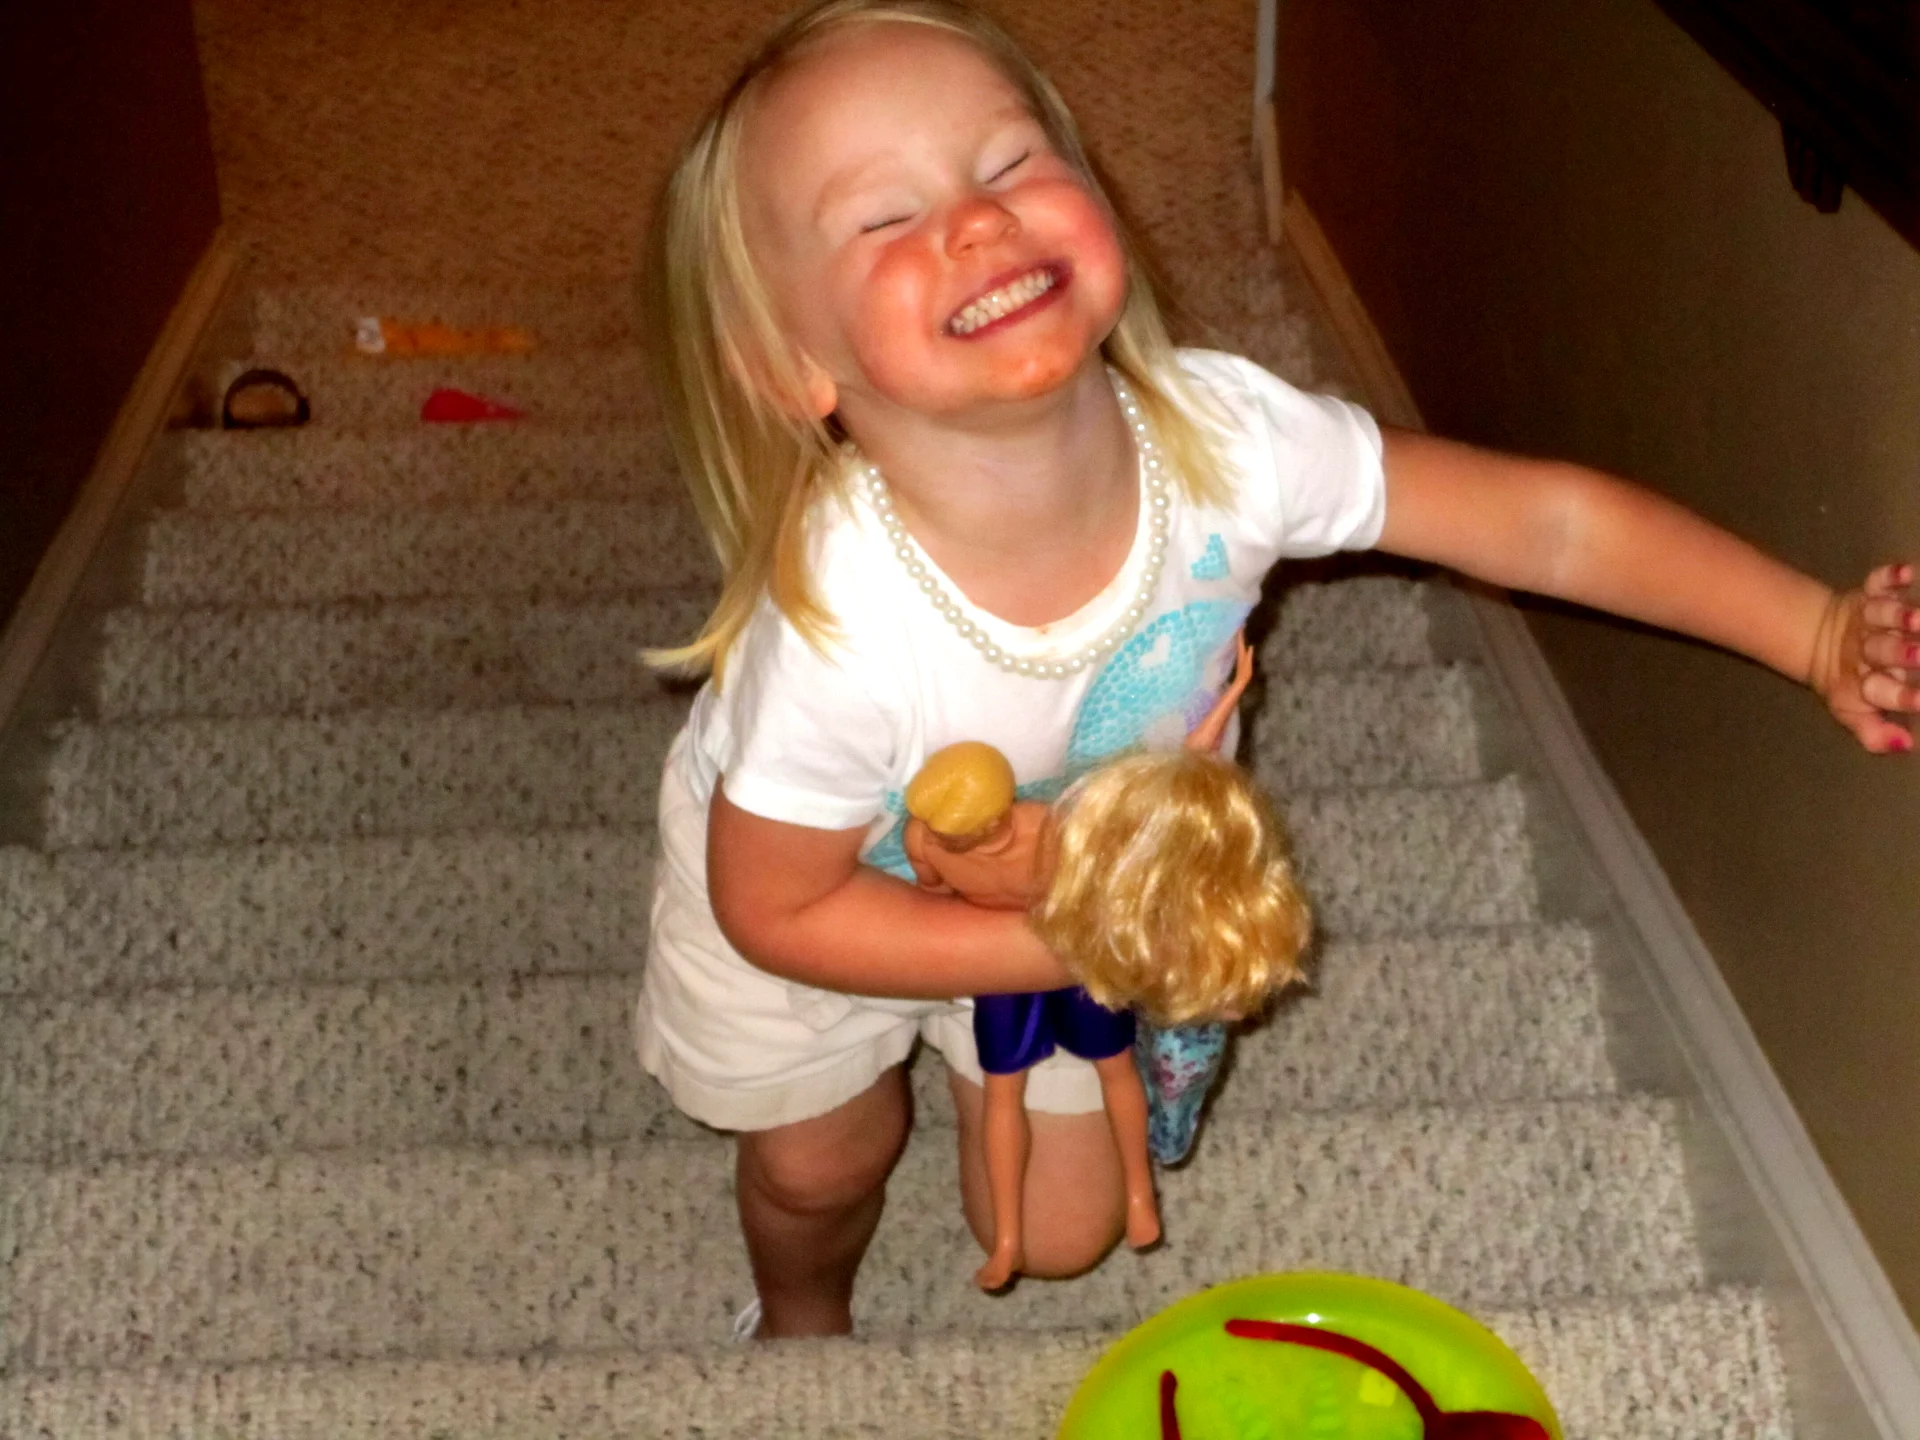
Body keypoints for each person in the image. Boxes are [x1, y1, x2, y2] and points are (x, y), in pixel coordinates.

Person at [633, 0, 1917, 1341]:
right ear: (789, 365)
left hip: (1075, 875)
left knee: (1064, 1235)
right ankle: (800, 1315)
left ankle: (993, 1053)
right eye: (884, 217)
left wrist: (1815, 631)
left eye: (1008, 161)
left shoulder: (1229, 441)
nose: (974, 220)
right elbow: (778, 909)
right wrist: (1055, 942)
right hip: (834, 892)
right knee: (821, 1158)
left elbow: (1542, 525)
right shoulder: (836, 628)